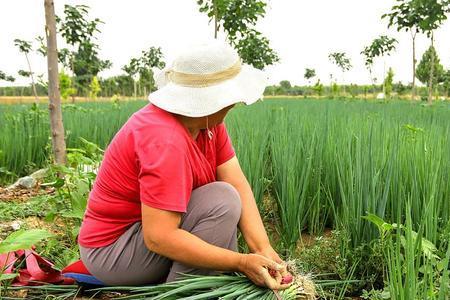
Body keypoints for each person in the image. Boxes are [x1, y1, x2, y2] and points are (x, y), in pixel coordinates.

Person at [78, 40, 292, 290]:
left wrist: (263, 249)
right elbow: (159, 238)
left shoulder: (207, 124)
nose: (235, 103)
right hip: (115, 251)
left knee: (226, 196)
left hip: (146, 236)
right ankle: (184, 291)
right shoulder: (164, 139)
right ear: (210, 99)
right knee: (222, 201)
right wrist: (241, 262)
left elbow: (237, 182)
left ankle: (204, 283)